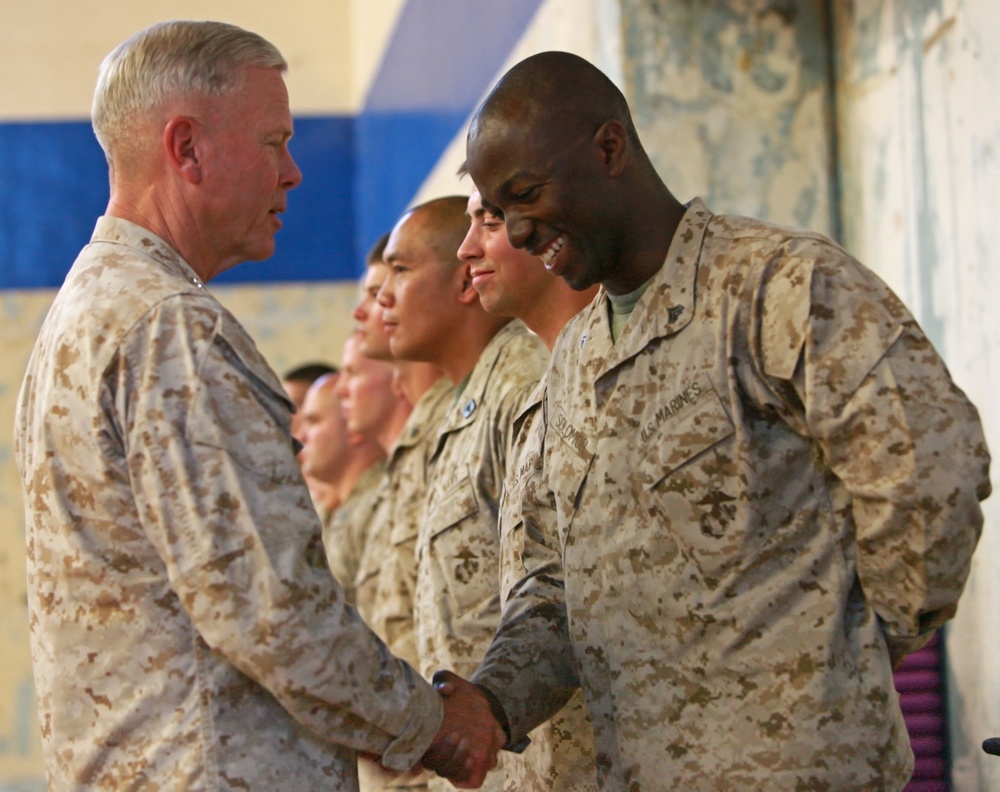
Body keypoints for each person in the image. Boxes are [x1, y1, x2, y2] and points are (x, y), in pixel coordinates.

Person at [460, 51, 992, 790]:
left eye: (525, 194)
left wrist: (854, 653)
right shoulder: (575, 361)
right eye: (499, 209)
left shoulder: (778, 286)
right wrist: (492, 702)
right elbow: (555, 585)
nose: (515, 231)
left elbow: (929, 478)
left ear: (609, 148)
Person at [13, 21, 502, 790]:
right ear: (187, 149)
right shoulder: (170, 326)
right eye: (274, 142)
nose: (295, 173)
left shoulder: (86, 317)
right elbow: (268, 608)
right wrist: (432, 727)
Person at [379, 196, 550, 792]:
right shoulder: (456, 409)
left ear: (462, 282)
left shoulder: (524, 382)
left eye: (401, 270)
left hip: (529, 761)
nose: (382, 296)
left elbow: (554, 587)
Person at [456, 187, 599, 790]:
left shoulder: (621, 372)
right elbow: (553, 590)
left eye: (490, 221)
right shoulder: (544, 397)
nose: (467, 249)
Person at [299, 370, 386, 603]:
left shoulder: (378, 506)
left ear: (350, 424)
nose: (301, 436)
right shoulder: (336, 511)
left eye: (314, 421)